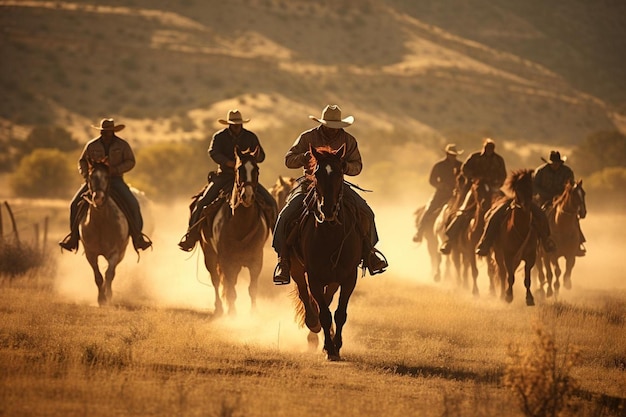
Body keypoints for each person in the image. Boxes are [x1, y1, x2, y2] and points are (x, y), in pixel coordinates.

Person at [272, 104, 388, 285]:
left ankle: (368, 253)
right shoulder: (307, 137)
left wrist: (345, 167)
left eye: (336, 127)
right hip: (310, 183)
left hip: (337, 185)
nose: (333, 130)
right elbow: (289, 160)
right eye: (330, 126)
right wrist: (304, 157)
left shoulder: (348, 140)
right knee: (286, 214)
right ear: (323, 124)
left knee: (366, 211)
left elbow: (357, 165)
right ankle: (284, 261)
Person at [178, 109, 276, 252]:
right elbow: (213, 152)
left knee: (271, 202)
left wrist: (253, 157)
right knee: (201, 203)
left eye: (238, 124)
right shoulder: (219, 137)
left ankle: (279, 240)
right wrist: (229, 163)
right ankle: (191, 236)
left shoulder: (250, 137)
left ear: (242, 123)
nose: (236, 126)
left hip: (246, 178)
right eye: (233, 124)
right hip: (224, 176)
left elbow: (261, 156)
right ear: (229, 124)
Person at [59, 118, 152, 252]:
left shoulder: (122, 145)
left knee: (133, 204)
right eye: (104, 131)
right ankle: (73, 238)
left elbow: (131, 162)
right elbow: (82, 161)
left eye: (108, 131)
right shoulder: (92, 145)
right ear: (101, 131)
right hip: (95, 181)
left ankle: (138, 238)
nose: (106, 134)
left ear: (113, 131)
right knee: (74, 204)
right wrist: (87, 176)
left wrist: (115, 170)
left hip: (115, 180)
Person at [439, 138, 506, 255]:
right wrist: (474, 178)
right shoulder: (475, 157)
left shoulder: (498, 160)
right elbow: (464, 169)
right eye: (487, 148)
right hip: (475, 186)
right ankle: (449, 240)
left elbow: (503, 175)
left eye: (491, 149)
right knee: (464, 210)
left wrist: (496, 182)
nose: (488, 151)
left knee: (504, 206)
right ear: (483, 148)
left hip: (492, 187)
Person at [533, 150, 586, 256]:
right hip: (544, 198)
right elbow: (535, 186)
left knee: (573, 217)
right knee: (538, 217)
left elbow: (571, 187)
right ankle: (536, 242)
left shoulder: (567, 171)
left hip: (562, 199)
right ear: (550, 163)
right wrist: (547, 194)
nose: (556, 165)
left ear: (560, 163)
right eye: (554, 163)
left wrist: (561, 196)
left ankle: (578, 242)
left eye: (557, 163)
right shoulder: (540, 171)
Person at [413, 144, 463, 243]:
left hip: (457, 194)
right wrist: (442, 186)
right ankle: (420, 232)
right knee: (430, 209)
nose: (453, 157)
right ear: (447, 154)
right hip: (441, 193)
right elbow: (432, 180)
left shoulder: (461, 166)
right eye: (451, 154)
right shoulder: (439, 165)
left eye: (454, 155)